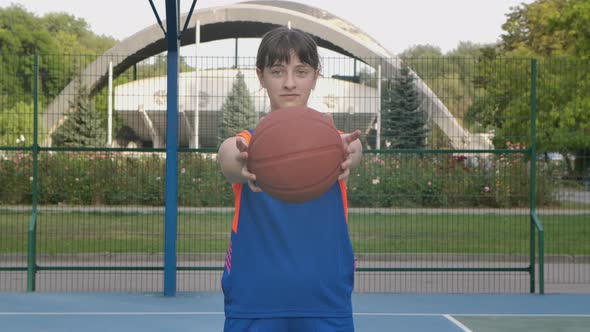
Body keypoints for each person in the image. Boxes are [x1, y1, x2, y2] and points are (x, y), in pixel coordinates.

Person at [217, 26, 363, 332]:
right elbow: (228, 155)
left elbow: (354, 148)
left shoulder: (335, 145)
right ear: (261, 76)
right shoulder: (248, 143)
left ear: (315, 76)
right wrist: (242, 160)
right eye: (277, 71)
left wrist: (352, 152)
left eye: (301, 71)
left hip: (325, 299)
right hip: (255, 299)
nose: (289, 83)